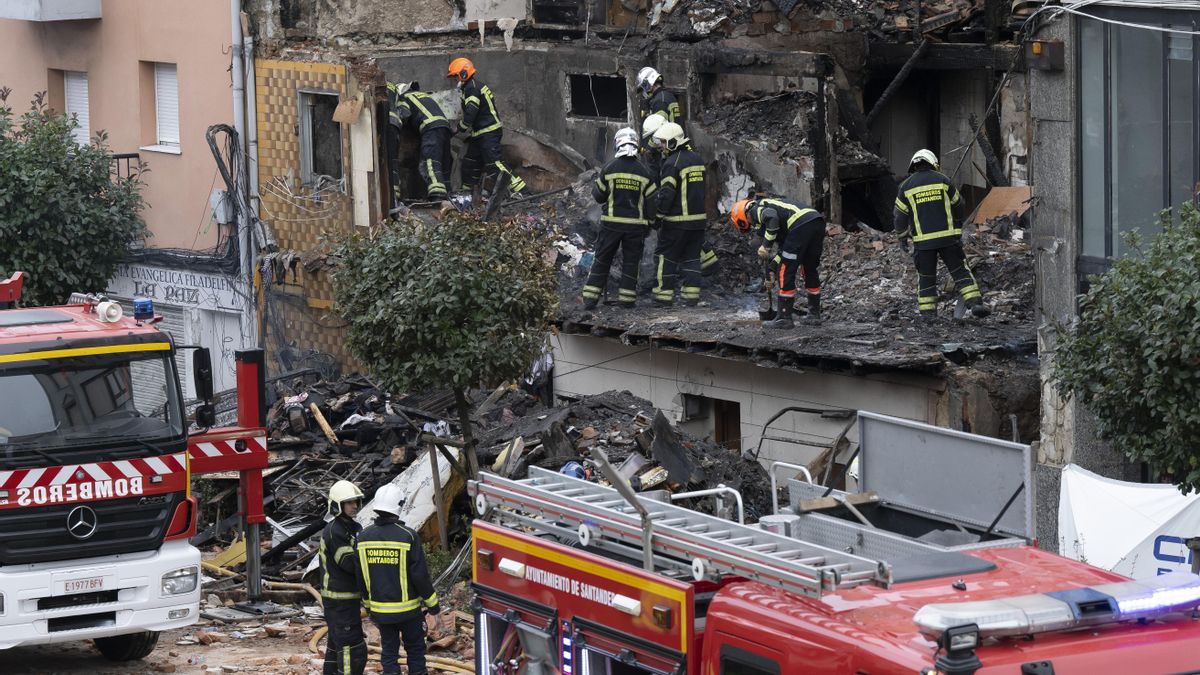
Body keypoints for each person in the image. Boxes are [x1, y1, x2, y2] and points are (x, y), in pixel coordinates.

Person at [356, 499, 450, 675]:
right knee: (415, 650)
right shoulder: (408, 536)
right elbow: (420, 576)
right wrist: (433, 606)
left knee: (389, 652)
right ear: (397, 508)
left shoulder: (363, 538)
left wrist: (368, 607)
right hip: (409, 612)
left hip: (381, 611)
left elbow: (360, 576)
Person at [893, 149, 989, 320]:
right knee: (960, 271)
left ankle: (928, 314)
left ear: (913, 165)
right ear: (932, 163)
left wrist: (902, 237)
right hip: (948, 239)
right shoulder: (943, 181)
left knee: (926, 277)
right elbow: (959, 203)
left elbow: (899, 216)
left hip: (924, 243)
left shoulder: (906, 187)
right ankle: (975, 304)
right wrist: (958, 224)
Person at [582, 128, 657, 309]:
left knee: (602, 259)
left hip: (611, 225)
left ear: (618, 143)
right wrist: (651, 223)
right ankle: (627, 300)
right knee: (631, 263)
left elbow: (598, 196)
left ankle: (590, 299)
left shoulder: (610, 168)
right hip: (635, 227)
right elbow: (651, 205)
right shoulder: (644, 172)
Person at [641, 113, 719, 279]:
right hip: (690, 208)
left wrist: (658, 211)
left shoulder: (675, 157)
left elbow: (668, 184)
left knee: (674, 241)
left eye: (657, 140)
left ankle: (666, 280)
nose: (654, 144)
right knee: (691, 238)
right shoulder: (671, 150)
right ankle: (702, 267)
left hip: (678, 202)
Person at [731, 197, 826, 328]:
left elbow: (772, 218)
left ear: (743, 218)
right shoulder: (781, 219)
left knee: (785, 270)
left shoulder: (755, 209)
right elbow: (784, 251)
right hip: (816, 222)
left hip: (800, 224)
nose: (754, 226)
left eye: (750, 225)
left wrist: (766, 245)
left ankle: (784, 318)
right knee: (809, 268)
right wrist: (771, 269)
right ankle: (814, 315)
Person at [446, 57, 526, 197]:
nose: (455, 80)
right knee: (470, 163)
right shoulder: (472, 87)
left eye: (455, 76)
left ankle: (521, 191)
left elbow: (471, 113)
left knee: (494, 164)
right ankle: (467, 194)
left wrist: (459, 128)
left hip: (488, 132)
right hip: (479, 134)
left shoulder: (472, 88)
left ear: (463, 74)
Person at [651, 122, 707, 307]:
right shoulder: (697, 159)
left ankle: (662, 297)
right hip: (698, 222)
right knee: (691, 258)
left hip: (676, 222)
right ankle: (690, 298)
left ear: (674, 142)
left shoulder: (671, 163)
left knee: (665, 257)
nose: (661, 146)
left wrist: (657, 217)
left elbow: (666, 194)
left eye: (664, 143)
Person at [318, 480, 367, 675]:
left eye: (355, 501)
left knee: (336, 645)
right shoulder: (334, 531)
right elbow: (349, 563)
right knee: (351, 648)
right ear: (337, 505)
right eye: (349, 502)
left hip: (347, 598)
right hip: (339, 599)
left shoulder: (354, 527)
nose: (354, 506)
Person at [386, 82, 452, 201]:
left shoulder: (405, 97)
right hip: (445, 128)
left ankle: (437, 195)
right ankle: (449, 195)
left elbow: (405, 114)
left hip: (430, 127)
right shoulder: (423, 96)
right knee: (444, 163)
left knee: (430, 161)